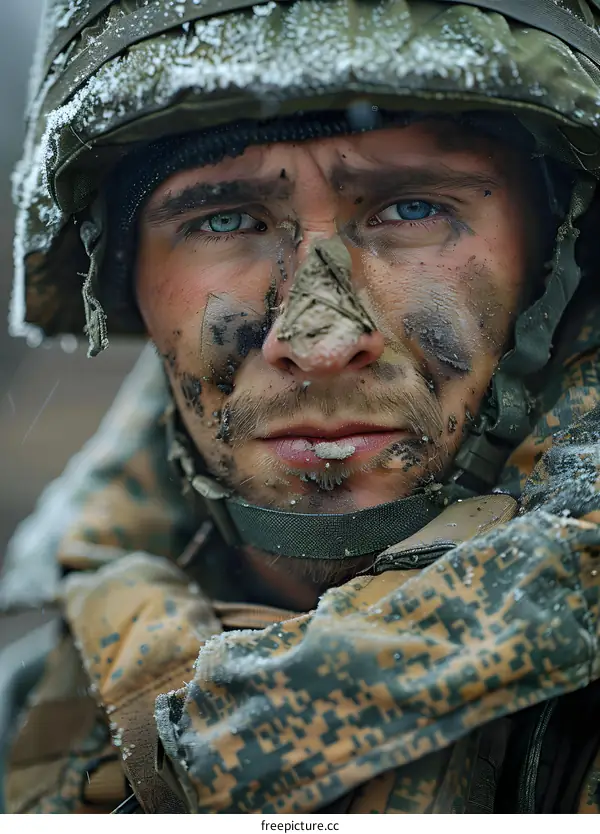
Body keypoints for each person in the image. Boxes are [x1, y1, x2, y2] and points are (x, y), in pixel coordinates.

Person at [2, 0, 600, 814]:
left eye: (412, 208)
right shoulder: (27, 726)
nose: (319, 341)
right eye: (225, 219)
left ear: (556, 262)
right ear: (128, 287)